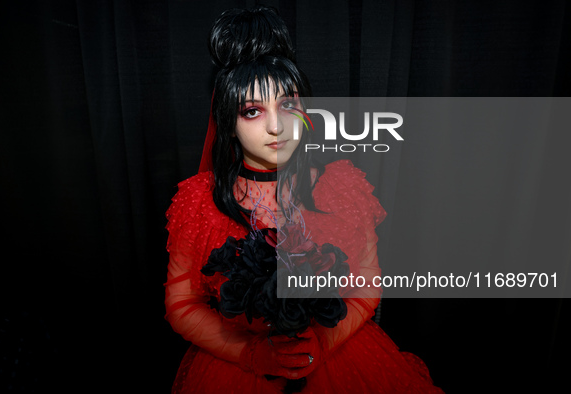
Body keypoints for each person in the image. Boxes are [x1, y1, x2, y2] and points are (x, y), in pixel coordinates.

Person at [164, 6, 444, 393]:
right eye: (252, 111)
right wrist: (253, 353)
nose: (277, 126)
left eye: (288, 105)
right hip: (237, 370)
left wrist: (323, 342)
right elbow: (181, 305)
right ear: (227, 122)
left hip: (341, 360)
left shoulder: (342, 186)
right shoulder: (199, 200)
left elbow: (367, 283)